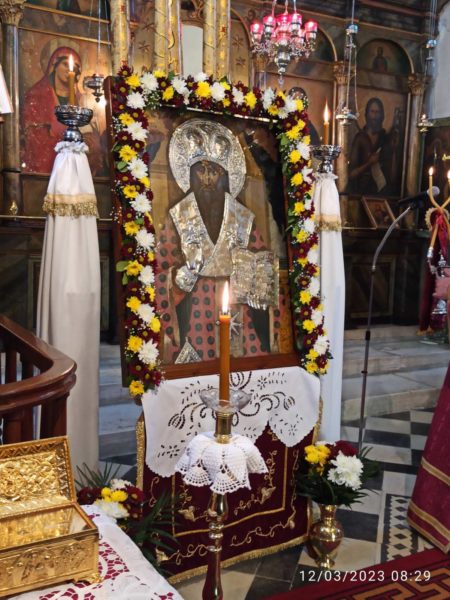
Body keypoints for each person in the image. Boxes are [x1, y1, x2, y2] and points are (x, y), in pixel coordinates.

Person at [155, 119, 282, 364]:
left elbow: (263, 269)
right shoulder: (178, 216)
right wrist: (182, 275)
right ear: (190, 174)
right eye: (200, 171)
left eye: (213, 171)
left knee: (239, 369)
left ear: (224, 176)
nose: (206, 179)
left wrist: (253, 274)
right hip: (196, 311)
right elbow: (160, 270)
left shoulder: (242, 217)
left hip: (238, 312)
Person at [22, 47, 82, 174]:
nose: (70, 70)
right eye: (65, 64)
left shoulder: (81, 100)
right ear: (54, 65)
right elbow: (32, 134)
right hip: (45, 165)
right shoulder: (36, 95)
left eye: (75, 68)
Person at [348, 97, 402, 196]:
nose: (375, 116)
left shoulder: (386, 138)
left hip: (382, 194)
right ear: (366, 114)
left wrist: (394, 151)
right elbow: (351, 174)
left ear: (382, 115)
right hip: (360, 193)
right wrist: (369, 163)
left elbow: (393, 178)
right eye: (372, 112)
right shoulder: (360, 138)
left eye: (378, 112)